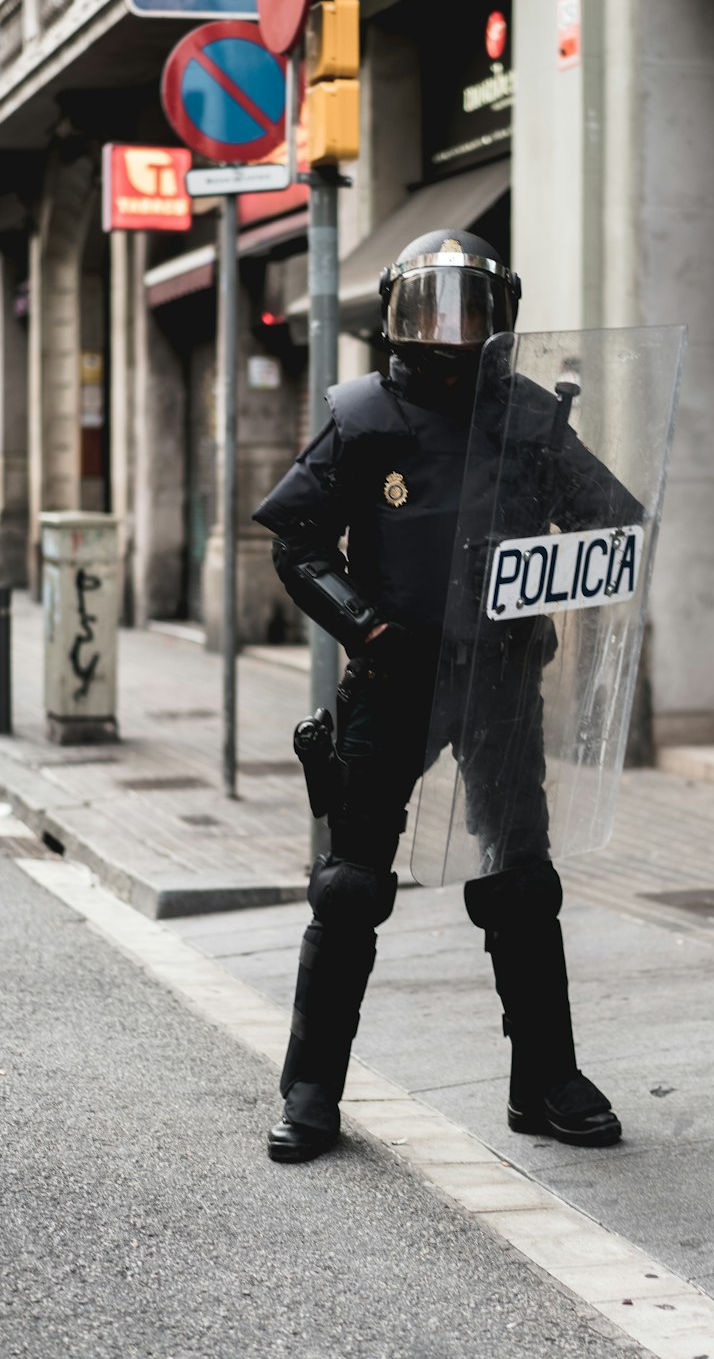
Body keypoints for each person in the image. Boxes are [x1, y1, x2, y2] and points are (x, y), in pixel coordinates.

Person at [253, 229, 642, 1162]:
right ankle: (310, 1090)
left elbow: (611, 519)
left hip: (499, 676)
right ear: (395, 313)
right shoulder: (362, 413)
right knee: (349, 887)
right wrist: (362, 620)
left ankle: (543, 1079)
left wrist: (538, 570)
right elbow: (295, 536)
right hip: (392, 678)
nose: (453, 329)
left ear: (501, 314)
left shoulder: (531, 416)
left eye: (470, 308)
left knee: (523, 878)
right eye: (434, 306)